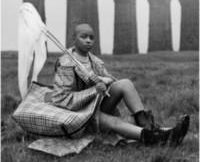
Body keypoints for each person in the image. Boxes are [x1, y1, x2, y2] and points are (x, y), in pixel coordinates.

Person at [45, 23, 189, 146]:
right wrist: (93, 90)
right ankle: (155, 138)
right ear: (74, 39)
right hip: (79, 115)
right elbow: (60, 99)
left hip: (97, 106)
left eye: (92, 37)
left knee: (125, 83)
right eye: (84, 37)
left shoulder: (94, 61)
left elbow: (110, 79)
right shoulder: (65, 63)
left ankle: (149, 127)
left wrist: (104, 80)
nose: (89, 41)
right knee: (112, 121)